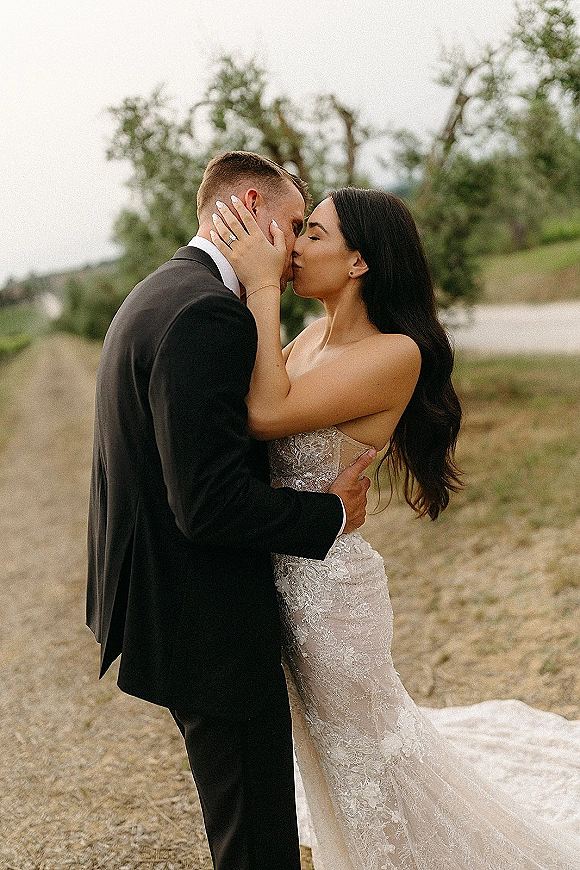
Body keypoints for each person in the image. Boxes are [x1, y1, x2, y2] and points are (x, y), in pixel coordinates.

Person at [210, 188, 580, 869]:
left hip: (332, 600)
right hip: (283, 579)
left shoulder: (396, 354)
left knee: (368, 767)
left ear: (358, 262)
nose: (292, 249)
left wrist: (260, 287)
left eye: (311, 234)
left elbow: (263, 413)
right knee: (332, 760)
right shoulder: (311, 334)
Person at [85, 151, 378, 870]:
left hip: (170, 600)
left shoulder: (162, 291)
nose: (292, 251)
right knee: (258, 845)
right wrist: (329, 516)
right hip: (206, 622)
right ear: (249, 206)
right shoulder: (208, 315)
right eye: (291, 225)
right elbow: (208, 503)